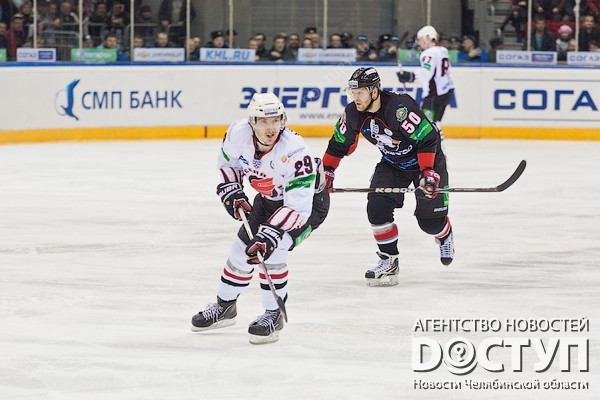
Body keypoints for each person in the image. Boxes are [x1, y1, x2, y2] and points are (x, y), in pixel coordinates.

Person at [191, 93, 330, 344]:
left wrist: (269, 236)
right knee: (240, 252)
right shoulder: (238, 133)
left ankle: (273, 315)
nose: (271, 128)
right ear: (252, 122)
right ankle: (225, 306)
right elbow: (228, 163)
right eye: (264, 121)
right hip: (267, 201)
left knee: (273, 253)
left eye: (275, 120)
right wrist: (232, 190)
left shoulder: (296, 151)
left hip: (307, 208)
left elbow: (297, 208)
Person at [322, 67, 453, 287]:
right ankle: (389, 260)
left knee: (430, 224)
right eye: (353, 93)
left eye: (360, 92)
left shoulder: (399, 108)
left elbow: (428, 138)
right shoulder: (353, 113)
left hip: (427, 161)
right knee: (377, 208)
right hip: (394, 164)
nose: (355, 98)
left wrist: (428, 171)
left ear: (374, 91)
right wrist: (327, 170)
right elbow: (339, 144)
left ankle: (444, 234)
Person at [397, 26, 455, 141]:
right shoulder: (443, 50)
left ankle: (438, 149)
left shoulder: (428, 53)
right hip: (446, 92)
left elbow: (426, 74)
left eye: (419, 39)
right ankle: (439, 148)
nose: (418, 43)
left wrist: (410, 76)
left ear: (428, 37)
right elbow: (448, 71)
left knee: (425, 126)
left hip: (433, 96)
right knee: (435, 123)